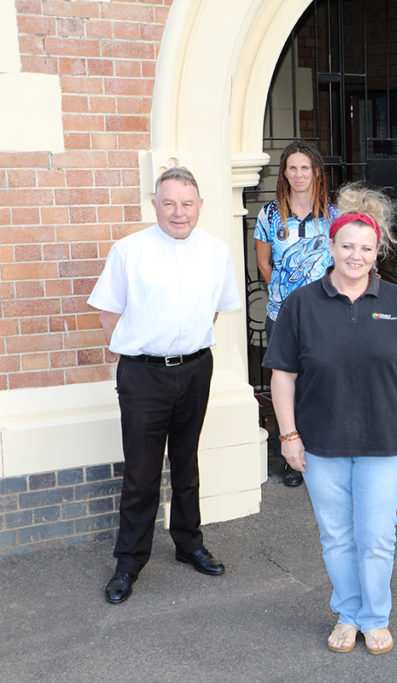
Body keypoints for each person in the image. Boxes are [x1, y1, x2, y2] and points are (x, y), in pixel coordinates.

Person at [263, 184, 397, 655]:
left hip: (385, 440)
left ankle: (375, 617)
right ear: (332, 247)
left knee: (377, 536)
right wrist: (289, 435)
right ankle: (348, 613)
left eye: (365, 248)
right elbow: (283, 375)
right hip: (320, 442)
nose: (355, 256)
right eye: (347, 246)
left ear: (376, 253)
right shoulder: (302, 303)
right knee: (336, 536)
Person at [88, 167, 242, 605]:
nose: (179, 212)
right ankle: (128, 563)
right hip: (143, 374)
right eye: (169, 202)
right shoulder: (129, 250)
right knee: (141, 474)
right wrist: (140, 356)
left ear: (200, 206)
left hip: (195, 369)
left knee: (187, 461)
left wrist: (184, 349)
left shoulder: (215, 251)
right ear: (154, 204)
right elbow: (108, 314)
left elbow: (212, 310)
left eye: (187, 203)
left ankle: (188, 544)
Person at [254, 140, 338, 487]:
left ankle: (321, 449)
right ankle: (290, 453)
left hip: (326, 316)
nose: (299, 174)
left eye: (306, 168)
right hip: (283, 314)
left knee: (322, 383)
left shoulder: (334, 215)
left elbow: (341, 263)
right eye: (292, 168)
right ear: (284, 173)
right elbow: (263, 261)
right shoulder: (270, 214)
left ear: (316, 172)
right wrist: (285, 296)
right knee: (286, 383)